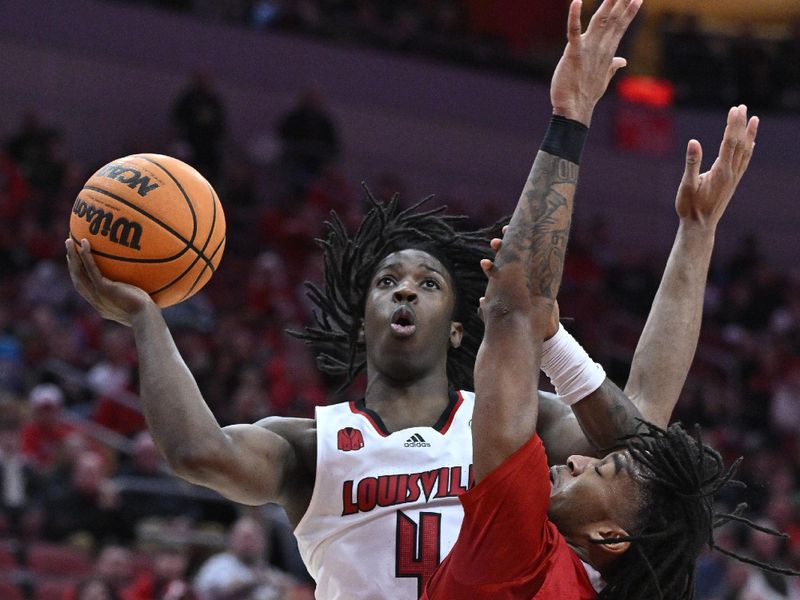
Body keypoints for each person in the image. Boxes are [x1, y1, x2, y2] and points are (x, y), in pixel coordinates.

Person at [64, 5, 733, 597]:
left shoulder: (523, 432)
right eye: (387, 282)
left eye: (430, 282)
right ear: (362, 325)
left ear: (457, 331)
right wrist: (147, 319)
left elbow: (646, 438)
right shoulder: (312, 445)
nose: (406, 288)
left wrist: (688, 239)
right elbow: (196, 452)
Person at [423, 1, 799, 597]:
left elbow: (510, 308)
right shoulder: (589, 579)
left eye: (598, 467)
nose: (579, 456)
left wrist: (571, 113)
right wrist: (697, 233)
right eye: (598, 460)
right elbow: (642, 417)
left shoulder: (516, 556)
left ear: (609, 536)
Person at [193, 515, 296, 600]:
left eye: (253, 537)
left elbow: (290, 585)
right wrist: (258, 580)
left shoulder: (266, 569)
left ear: (263, 541)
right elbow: (227, 588)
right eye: (245, 537)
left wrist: (283, 586)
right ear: (232, 539)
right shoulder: (218, 564)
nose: (248, 543)